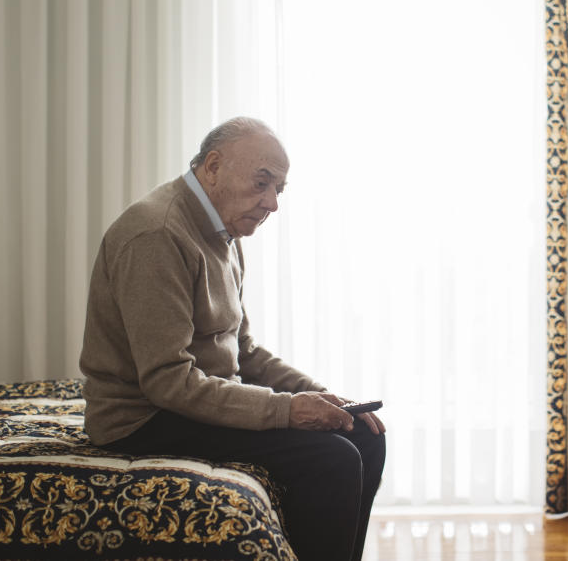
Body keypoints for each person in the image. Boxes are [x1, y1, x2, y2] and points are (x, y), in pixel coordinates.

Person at [79, 116, 385, 561]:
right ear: (214, 166)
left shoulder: (222, 229)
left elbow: (244, 349)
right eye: (263, 183)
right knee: (331, 458)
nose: (272, 203)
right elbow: (166, 381)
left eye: (279, 189)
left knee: (364, 434)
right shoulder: (157, 234)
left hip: (192, 402)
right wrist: (287, 411)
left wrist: (319, 396)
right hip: (142, 419)